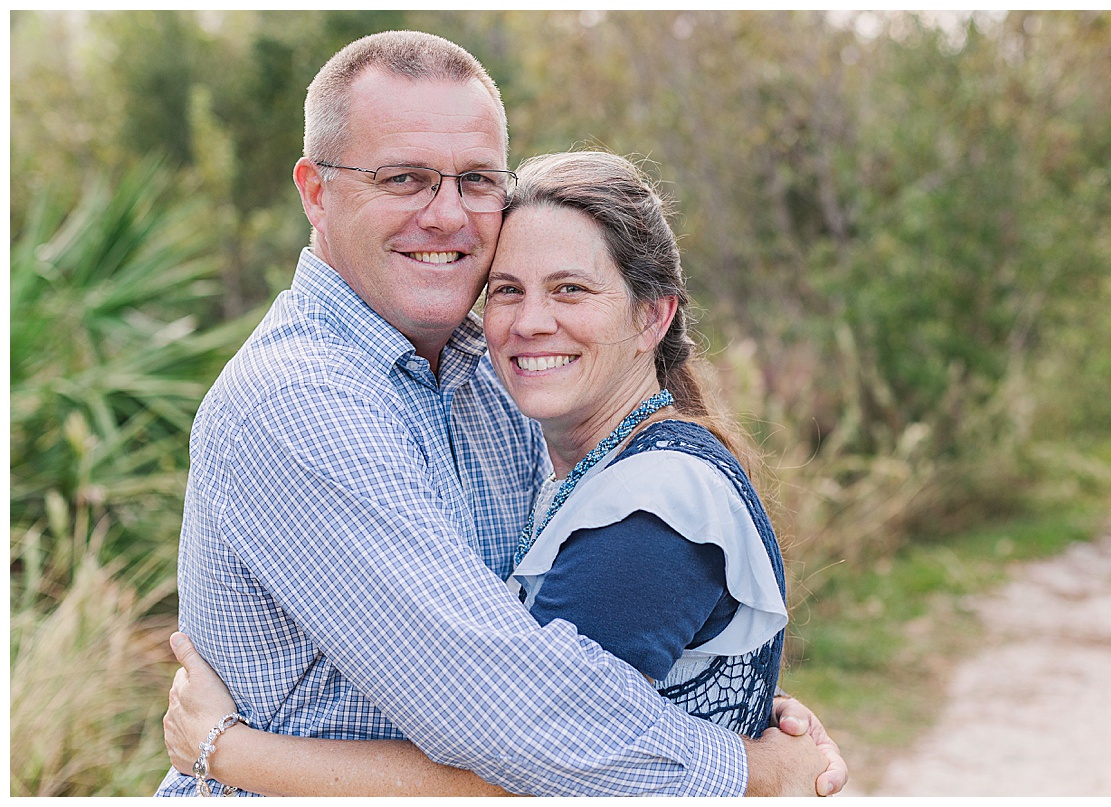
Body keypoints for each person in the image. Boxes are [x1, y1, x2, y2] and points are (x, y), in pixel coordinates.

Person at [154, 30, 846, 797]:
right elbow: (513, 716)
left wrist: (724, 701)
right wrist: (747, 769)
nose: (448, 215)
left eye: (477, 180)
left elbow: (574, 667)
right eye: (405, 177)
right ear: (316, 191)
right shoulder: (299, 403)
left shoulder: (490, 376)